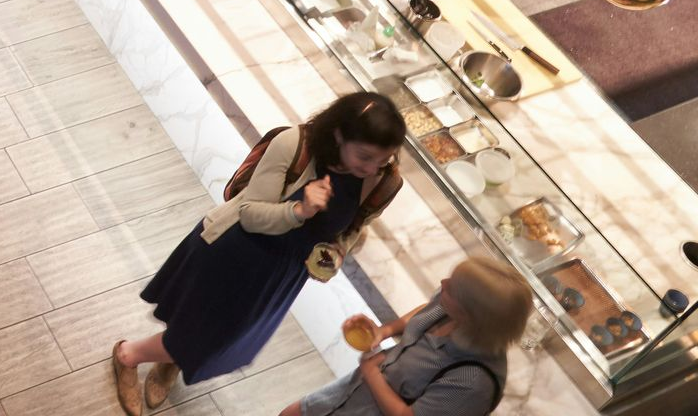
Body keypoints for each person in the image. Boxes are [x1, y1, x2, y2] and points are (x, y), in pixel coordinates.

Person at [114, 92, 407, 416]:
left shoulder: (381, 179)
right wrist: (300, 210)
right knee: (203, 335)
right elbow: (251, 214)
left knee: (223, 337)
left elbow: (354, 226)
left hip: (284, 273)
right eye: (365, 157)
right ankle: (128, 355)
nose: (372, 168)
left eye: (382, 160)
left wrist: (337, 251)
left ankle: (170, 359)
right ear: (339, 134)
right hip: (236, 251)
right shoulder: (294, 144)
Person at [283, 257, 530, 416]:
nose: (442, 284)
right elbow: (426, 311)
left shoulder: (472, 383)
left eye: (452, 288)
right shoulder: (451, 307)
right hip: (351, 394)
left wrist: (371, 373)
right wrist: (385, 330)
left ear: (471, 314)